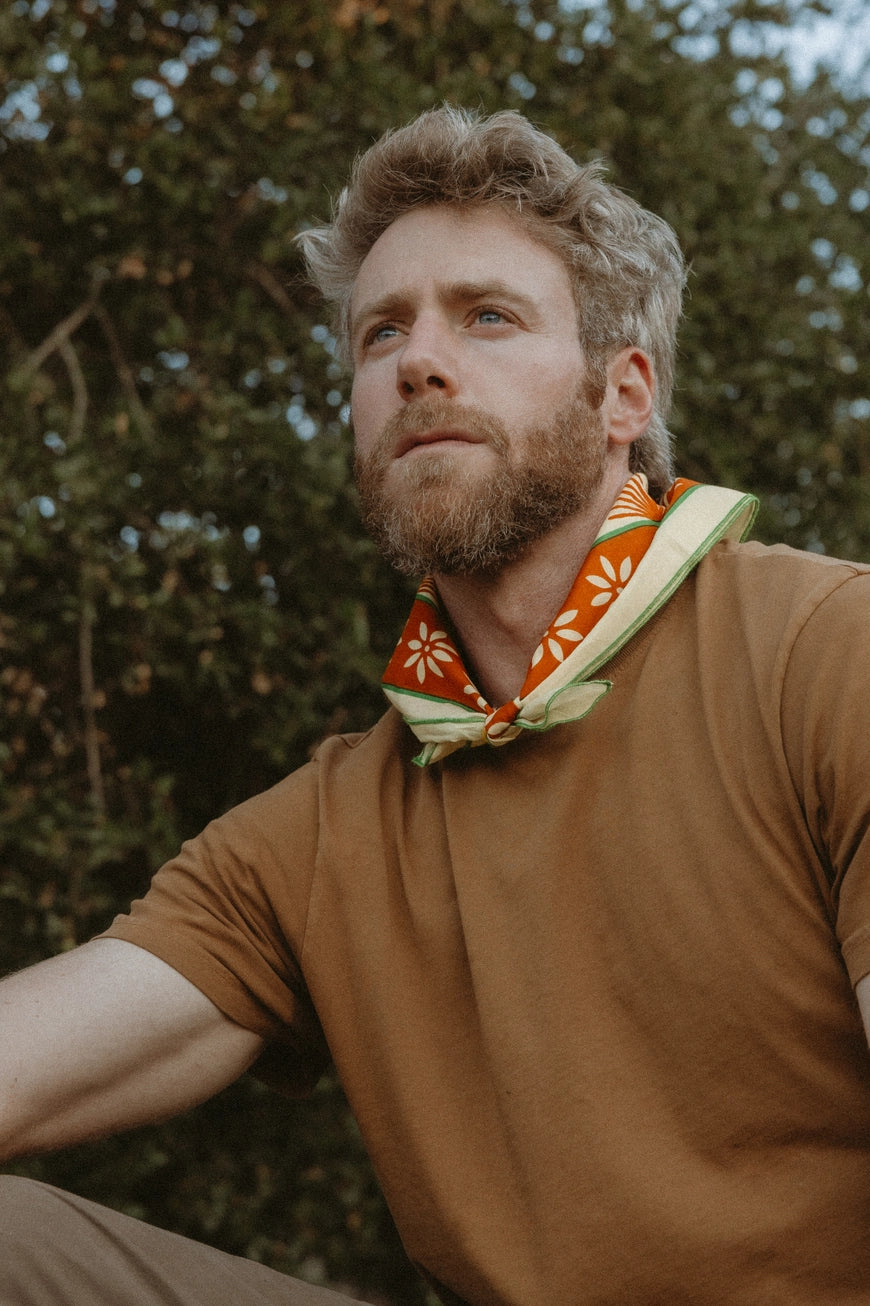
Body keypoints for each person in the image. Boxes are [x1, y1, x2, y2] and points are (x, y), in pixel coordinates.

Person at [2, 105, 870, 1306]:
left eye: (490, 316)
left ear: (624, 395)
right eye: (380, 334)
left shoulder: (830, 653)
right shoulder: (320, 834)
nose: (416, 359)